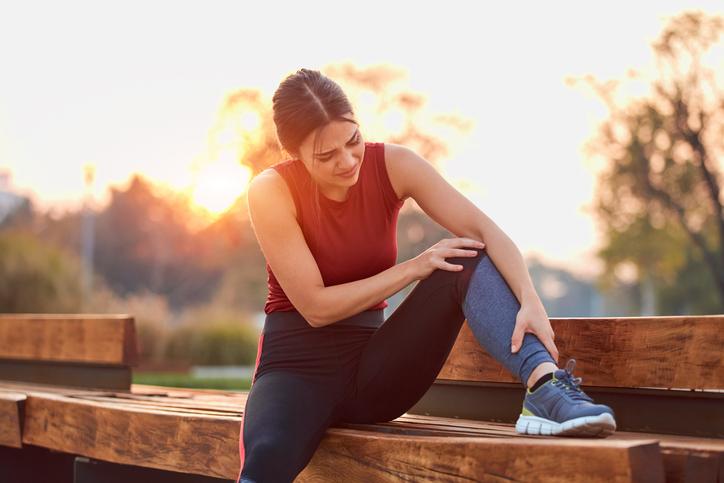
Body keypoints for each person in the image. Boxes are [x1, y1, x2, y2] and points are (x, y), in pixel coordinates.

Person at [237, 68, 616, 483]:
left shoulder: (394, 164)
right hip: (295, 370)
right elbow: (315, 307)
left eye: (353, 141)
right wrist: (416, 267)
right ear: (295, 155)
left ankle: (544, 386)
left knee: (464, 255)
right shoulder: (270, 190)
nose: (347, 161)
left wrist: (530, 298)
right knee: (265, 462)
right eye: (326, 156)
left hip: (374, 371)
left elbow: (486, 231)